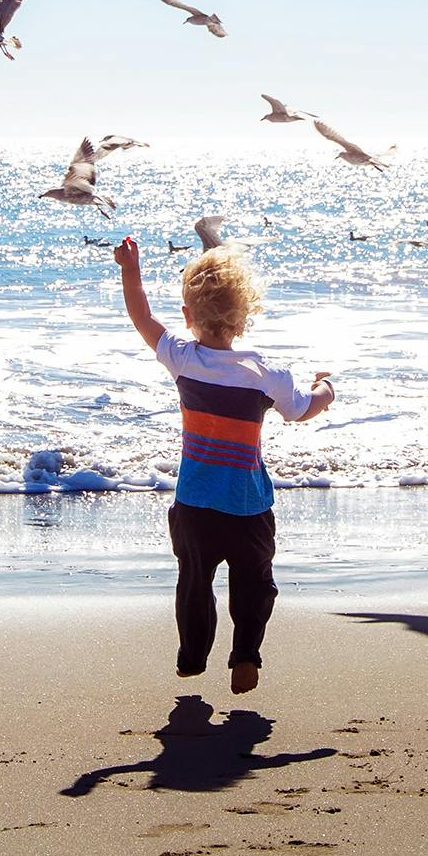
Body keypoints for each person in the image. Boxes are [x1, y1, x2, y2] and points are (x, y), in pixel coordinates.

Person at [110, 236, 333, 694]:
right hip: (248, 507)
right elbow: (301, 409)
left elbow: (141, 316)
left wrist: (131, 269)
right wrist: (327, 390)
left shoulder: (182, 359)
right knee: (255, 586)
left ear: (189, 316)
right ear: (244, 316)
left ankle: (193, 656)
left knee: (194, 584)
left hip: (194, 505)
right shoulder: (266, 374)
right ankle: (246, 656)